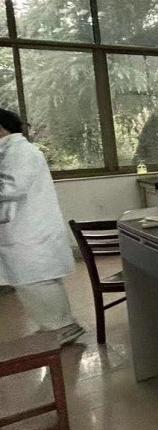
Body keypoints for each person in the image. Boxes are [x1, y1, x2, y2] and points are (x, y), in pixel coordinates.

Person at [0, 109, 84, 345]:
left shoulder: (19, 152)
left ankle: (61, 327)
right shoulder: (10, 151)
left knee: (36, 281)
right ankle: (57, 325)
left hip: (28, 234)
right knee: (36, 282)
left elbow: (10, 188)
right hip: (25, 232)